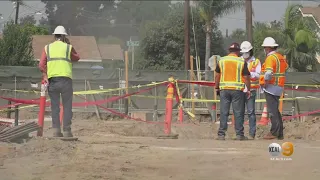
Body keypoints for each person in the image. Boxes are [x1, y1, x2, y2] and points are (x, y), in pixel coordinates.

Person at [38, 25, 80, 137]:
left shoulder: (47, 48)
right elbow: (77, 57)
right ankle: (67, 130)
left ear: (54, 36)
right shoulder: (68, 47)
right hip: (66, 81)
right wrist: (69, 45)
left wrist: (45, 75)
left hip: (53, 81)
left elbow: (41, 65)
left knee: (55, 107)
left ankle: (56, 130)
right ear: (63, 36)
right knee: (67, 106)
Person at [215, 42, 251, 140]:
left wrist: (216, 87)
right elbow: (246, 77)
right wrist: (248, 89)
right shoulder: (241, 61)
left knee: (224, 112)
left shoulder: (221, 60)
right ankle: (239, 135)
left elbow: (217, 75)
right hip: (237, 91)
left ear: (229, 51)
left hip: (224, 90)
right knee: (238, 112)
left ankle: (221, 134)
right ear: (238, 52)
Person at [259, 37, 288, 140]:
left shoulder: (270, 58)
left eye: (265, 47)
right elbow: (285, 68)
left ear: (268, 48)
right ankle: (279, 133)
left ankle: (274, 132)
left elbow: (268, 73)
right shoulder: (280, 57)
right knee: (275, 110)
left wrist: (265, 82)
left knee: (272, 111)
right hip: (279, 86)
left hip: (271, 87)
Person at [240, 41, 261, 140]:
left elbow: (258, 75)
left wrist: (249, 74)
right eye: (243, 52)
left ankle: (252, 134)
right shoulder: (239, 60)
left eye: (247, 52)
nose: (245, 54)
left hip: (251, 90)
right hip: (240, 90)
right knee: (239, 112)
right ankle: (239, 133)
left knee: (251, 112)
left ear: (250, 51)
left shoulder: (256, 62)